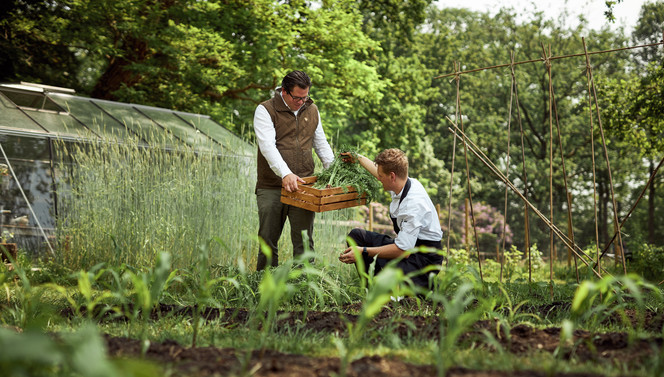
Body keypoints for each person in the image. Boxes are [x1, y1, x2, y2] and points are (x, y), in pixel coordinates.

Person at [254, 70, 334, 270]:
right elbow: (267, 146)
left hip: (304, 186)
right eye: (297, 97)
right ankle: (265, 286)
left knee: (304, 242)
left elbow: (321, 144)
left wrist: (333, 171)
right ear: (285, 92)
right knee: (268, 240)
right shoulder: (266, 110)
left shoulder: (312, 109)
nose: (302, 101)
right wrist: (285, 173)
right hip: (272, 186)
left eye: (305, 96)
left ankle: (303, 288)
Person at [338, 149, 443, 288]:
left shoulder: (413, 204)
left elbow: (402, 251)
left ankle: (420, 287)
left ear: (392, 176)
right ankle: (372, 291)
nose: (378, 178)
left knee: (388, 276)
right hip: (408, 247)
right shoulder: (402, 183)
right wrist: (357, 158)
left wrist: (363, 251)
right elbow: (379, 172)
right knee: (357, 236)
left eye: (381, 176)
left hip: (422, 260)